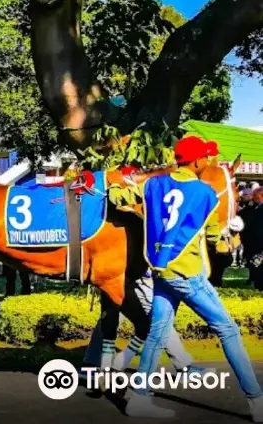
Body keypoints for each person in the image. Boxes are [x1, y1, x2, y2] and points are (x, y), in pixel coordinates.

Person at [111, 136, 262, 419]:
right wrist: (226, 240)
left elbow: (120, 195)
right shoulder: (206, 194)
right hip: (188, 274)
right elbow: (217, 240)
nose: (209, 161)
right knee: (228, 330)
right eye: (206, 157)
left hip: (159, 270)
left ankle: (139, 397)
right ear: (195, 161)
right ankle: (256, 400)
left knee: (156, 334)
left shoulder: (153, 184)